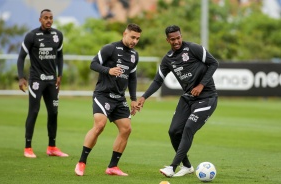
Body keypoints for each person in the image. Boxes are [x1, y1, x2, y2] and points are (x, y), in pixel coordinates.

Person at [137, 25, 218, 177]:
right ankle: (187, 166)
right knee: (173, 131)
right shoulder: (168, 59)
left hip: (207, 98)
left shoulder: (194, 49)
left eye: (178, 38)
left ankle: (172, 167)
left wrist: (201, 85)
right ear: (167, 40)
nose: (176, 41)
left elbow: (214, 63)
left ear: (181, 36)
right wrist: (144, 97)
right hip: (188, 98)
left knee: (188, 128)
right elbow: (157, 80)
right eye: (172, 39)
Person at [74, 23, 142, 176]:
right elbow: (93, 64)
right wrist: (108, 70)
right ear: (125, 34)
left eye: (137, 39)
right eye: (132, 37)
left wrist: (133, 99)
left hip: (119, 98)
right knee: (99, 125)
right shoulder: (110, 48)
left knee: (126, 129)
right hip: (103, 94)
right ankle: (81, 162)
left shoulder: (134, 55)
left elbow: (132, 78)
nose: (134, 41)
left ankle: (112, 167)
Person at [17, 9, 68, 158]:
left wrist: (60, 75)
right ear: (40, 19)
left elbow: (59, 56)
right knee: (33, 111)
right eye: (45, 18)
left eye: (51, 18)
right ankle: (28, 147)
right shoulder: (31, 36)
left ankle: (52, 147)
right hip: (37, 81)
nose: (49, 20)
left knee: (53, 112)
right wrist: (21, 77)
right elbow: (21, 57)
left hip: (52, 81)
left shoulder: (57, 35)